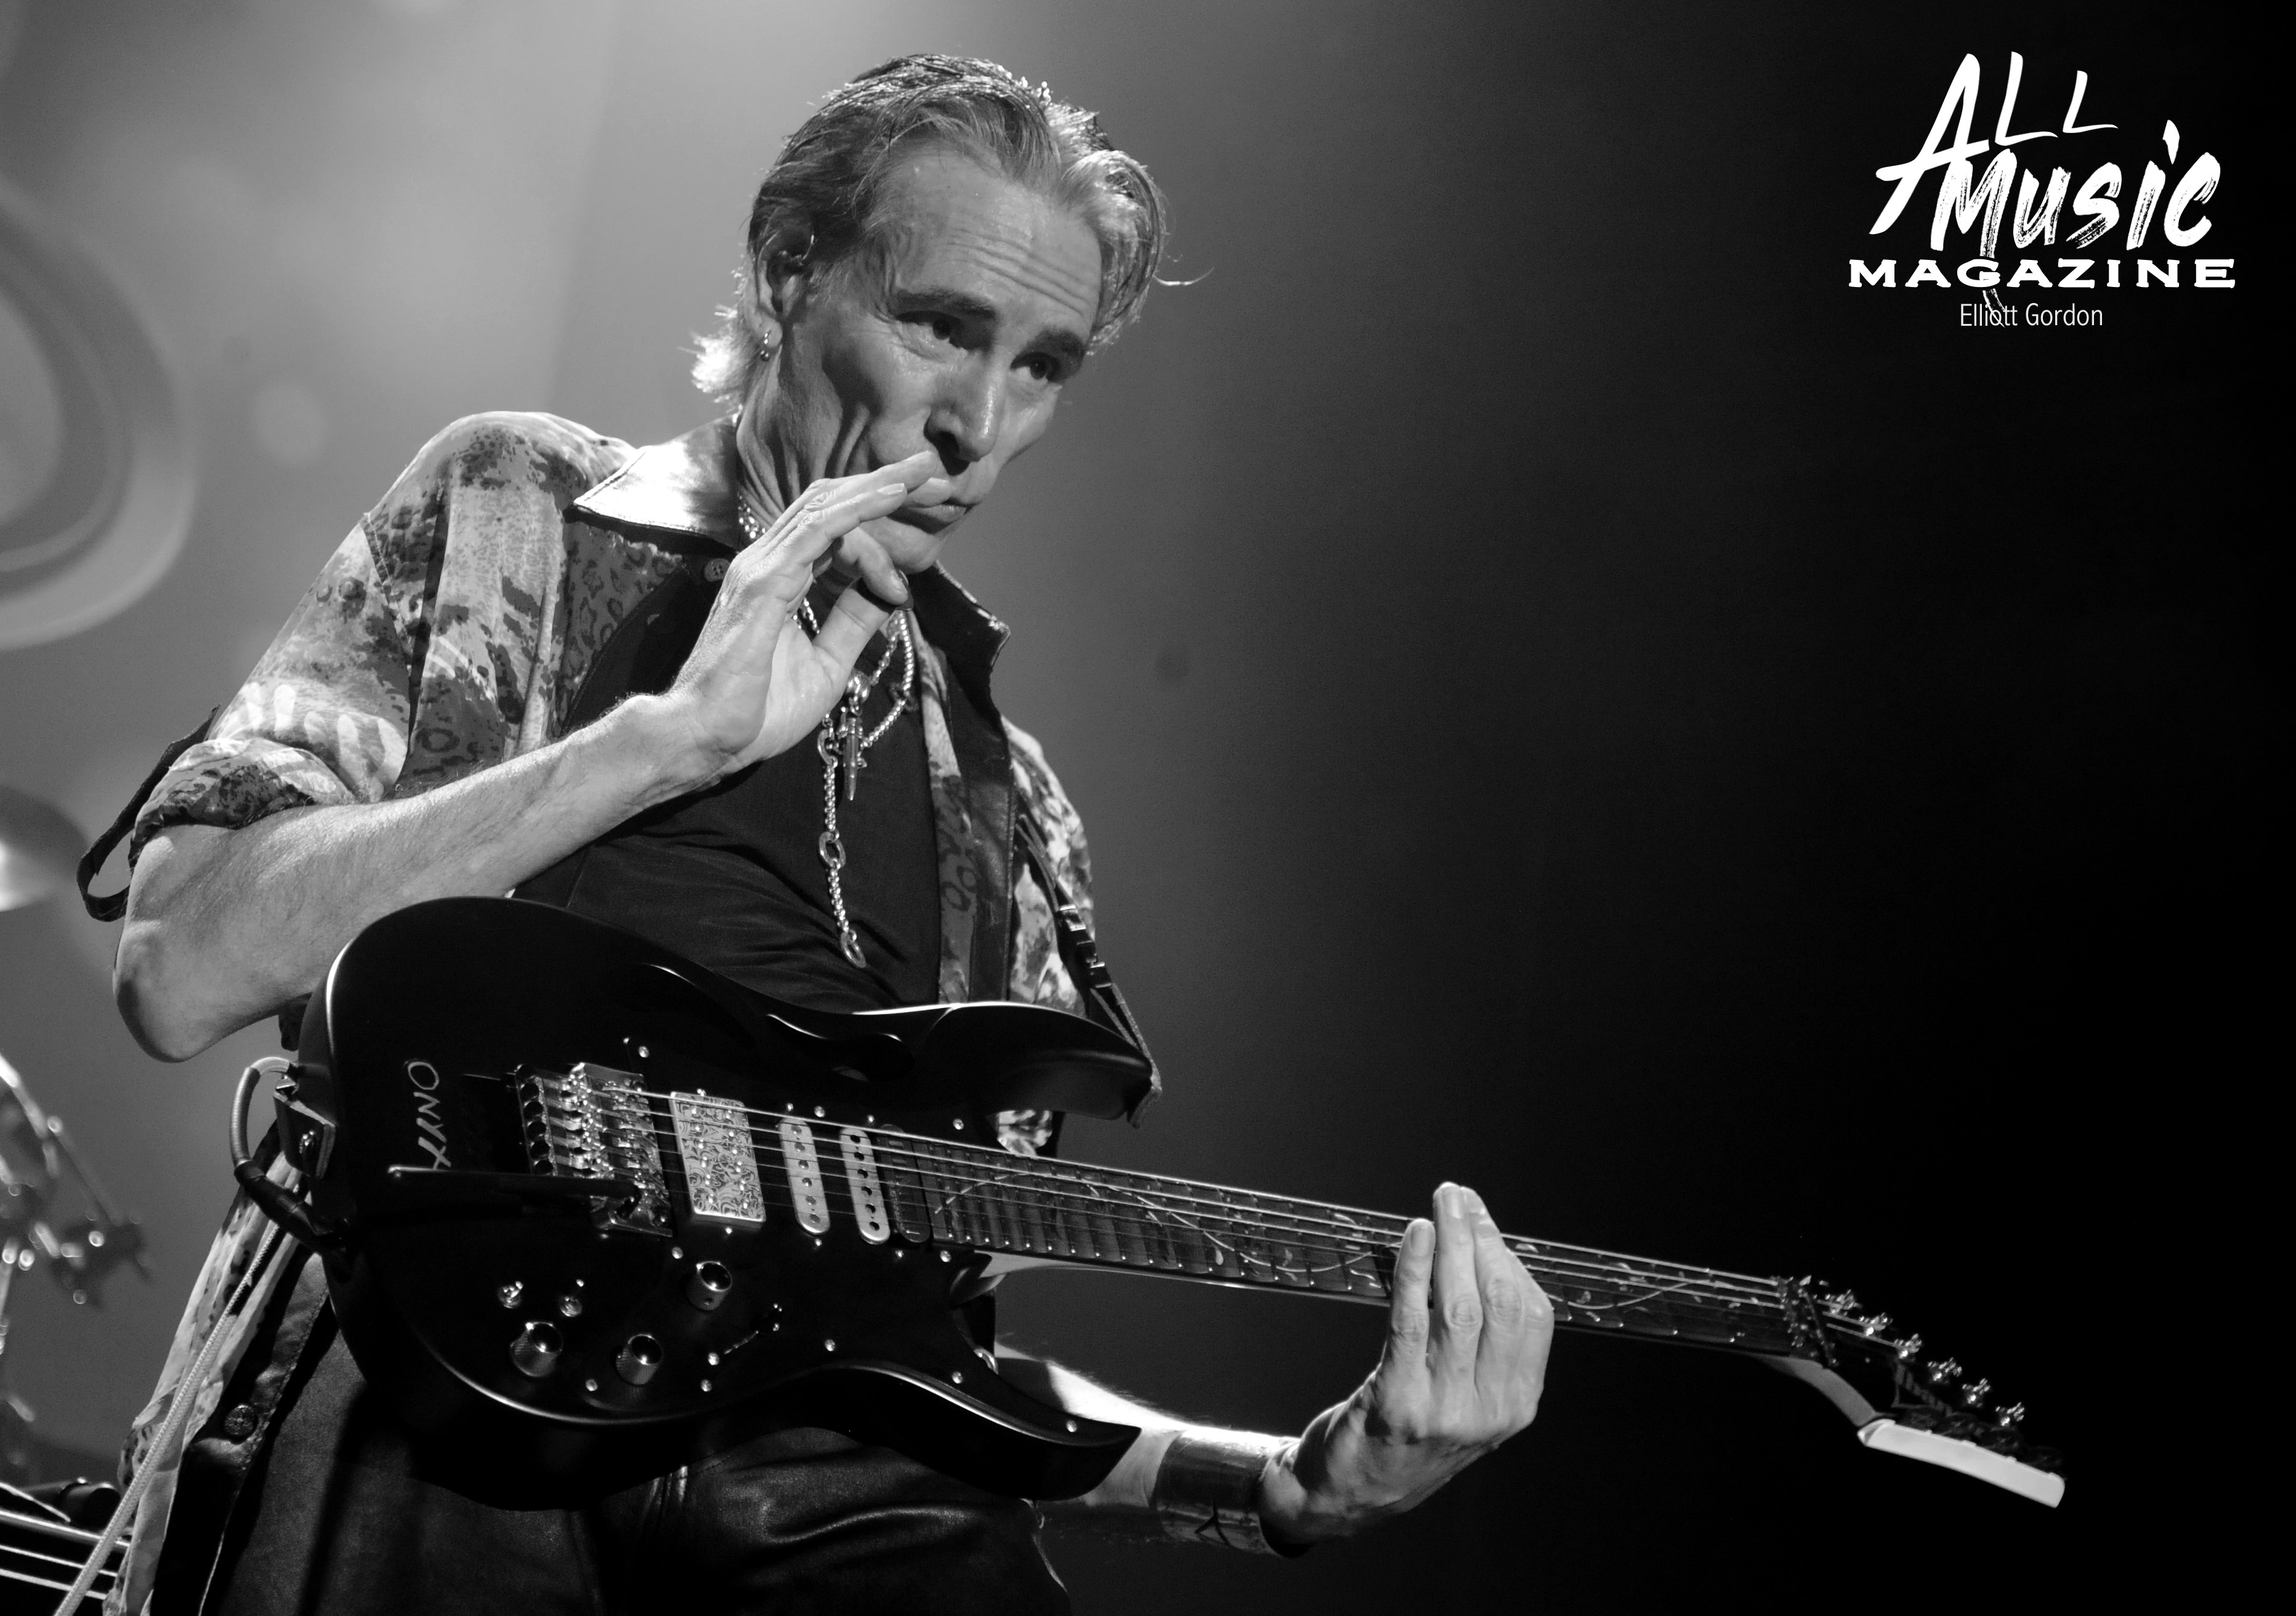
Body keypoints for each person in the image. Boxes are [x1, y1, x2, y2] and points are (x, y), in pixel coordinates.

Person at [104, 55, 1553, 1615]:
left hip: (838, 1518)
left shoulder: (1007, 806)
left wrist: (1280, 1488)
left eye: (1043, 366)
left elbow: (921, 1355)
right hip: (441, 1427)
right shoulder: (521, 511)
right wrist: (665, 743)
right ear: (787, 269)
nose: (978, 426)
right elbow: (183, 966)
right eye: (942, 327)